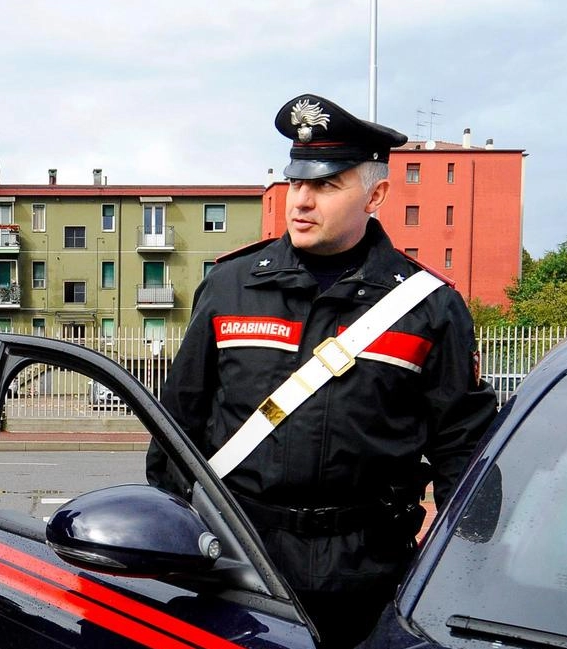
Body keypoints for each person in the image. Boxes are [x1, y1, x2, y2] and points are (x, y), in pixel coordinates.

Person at [146, 93, 497, 649]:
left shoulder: (429, 307)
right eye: (296, 183)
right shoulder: (231, 286)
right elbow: (176, 429)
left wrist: (465, 565)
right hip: (240, 563)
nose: (300, 202)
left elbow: (463, 448)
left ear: (375, 194)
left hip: (367, 576)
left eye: (326, 185)